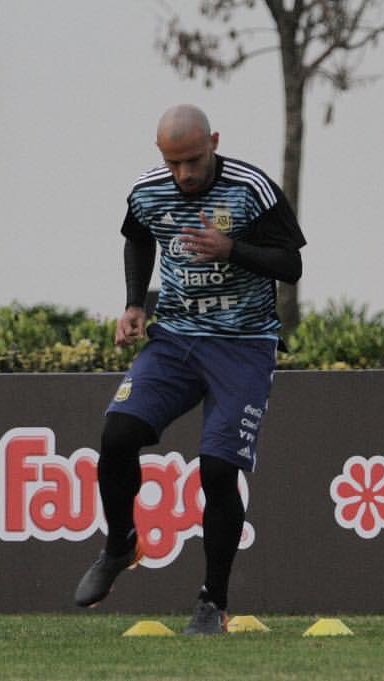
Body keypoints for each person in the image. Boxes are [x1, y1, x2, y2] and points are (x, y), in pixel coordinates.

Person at [74, 104, 306, 634]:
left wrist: (232, 249)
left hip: (244, 345)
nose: (184, 175)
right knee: (117, 433)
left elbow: (291, 263)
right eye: (173, 163)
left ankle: (211, 603)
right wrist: (135, 303)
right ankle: (119, 545)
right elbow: (138, 235)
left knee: (218, 469)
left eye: (193, 161)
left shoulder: (252, 188)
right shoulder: (149, 190)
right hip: (175, 337)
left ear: (214, 142)